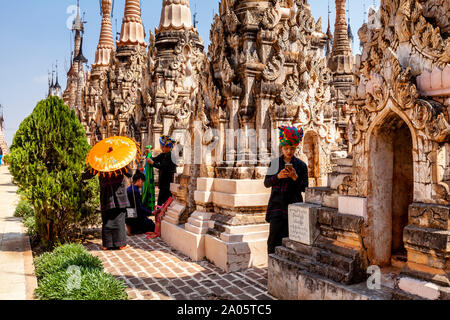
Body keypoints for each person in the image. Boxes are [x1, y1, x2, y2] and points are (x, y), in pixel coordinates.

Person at [264, 126, 308, 255]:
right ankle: (272, 268)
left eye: (292, 148)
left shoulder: (301, 165)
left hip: (294, 207)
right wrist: (278, 177)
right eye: (286, 148)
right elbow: (266, 183)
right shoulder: (275, 163)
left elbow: (305, 188)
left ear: (296, 148)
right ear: (281, 148)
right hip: (277, 206)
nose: (289, 151)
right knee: (273, 240)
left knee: (292, 240)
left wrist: (295, 177)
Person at [82, 165, 132, 251]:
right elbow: (129, 173)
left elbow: (89, 174)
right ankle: (121, 244)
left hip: (106, 194)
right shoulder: (119, 161)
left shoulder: (100, 162)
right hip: (119, 193)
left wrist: (81, 175)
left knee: (107, 218)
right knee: (119, 218)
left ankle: (106, 244)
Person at [146, 135, 177, 206]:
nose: (161, 148)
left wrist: (152, 163)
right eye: (161, 146)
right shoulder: (163, 155)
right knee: (161, 202)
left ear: (168, 147)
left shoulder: (171, 156)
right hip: (163, 183)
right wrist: (148, 154)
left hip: (168, 183)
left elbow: (163, 167)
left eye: (162, 146)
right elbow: (154, 159)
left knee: (165, 202)